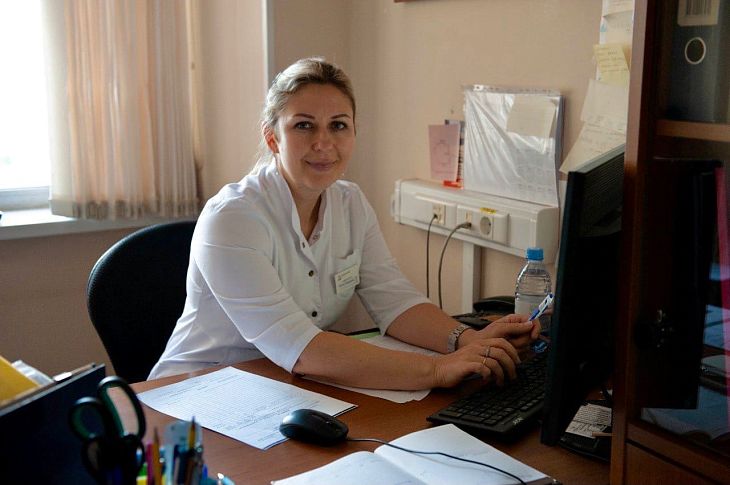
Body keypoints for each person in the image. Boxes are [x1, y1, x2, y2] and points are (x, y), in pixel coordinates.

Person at [149, 58, 540, 389]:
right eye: (303, 125)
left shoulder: (350, 203)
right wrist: (438, 369)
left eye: (338, 125)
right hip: (197, 394)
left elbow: (395, 301)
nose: (324, 143)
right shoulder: (233, 218)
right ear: (272, 139)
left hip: (283, 387)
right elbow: (301, 347)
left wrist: (469, 341)